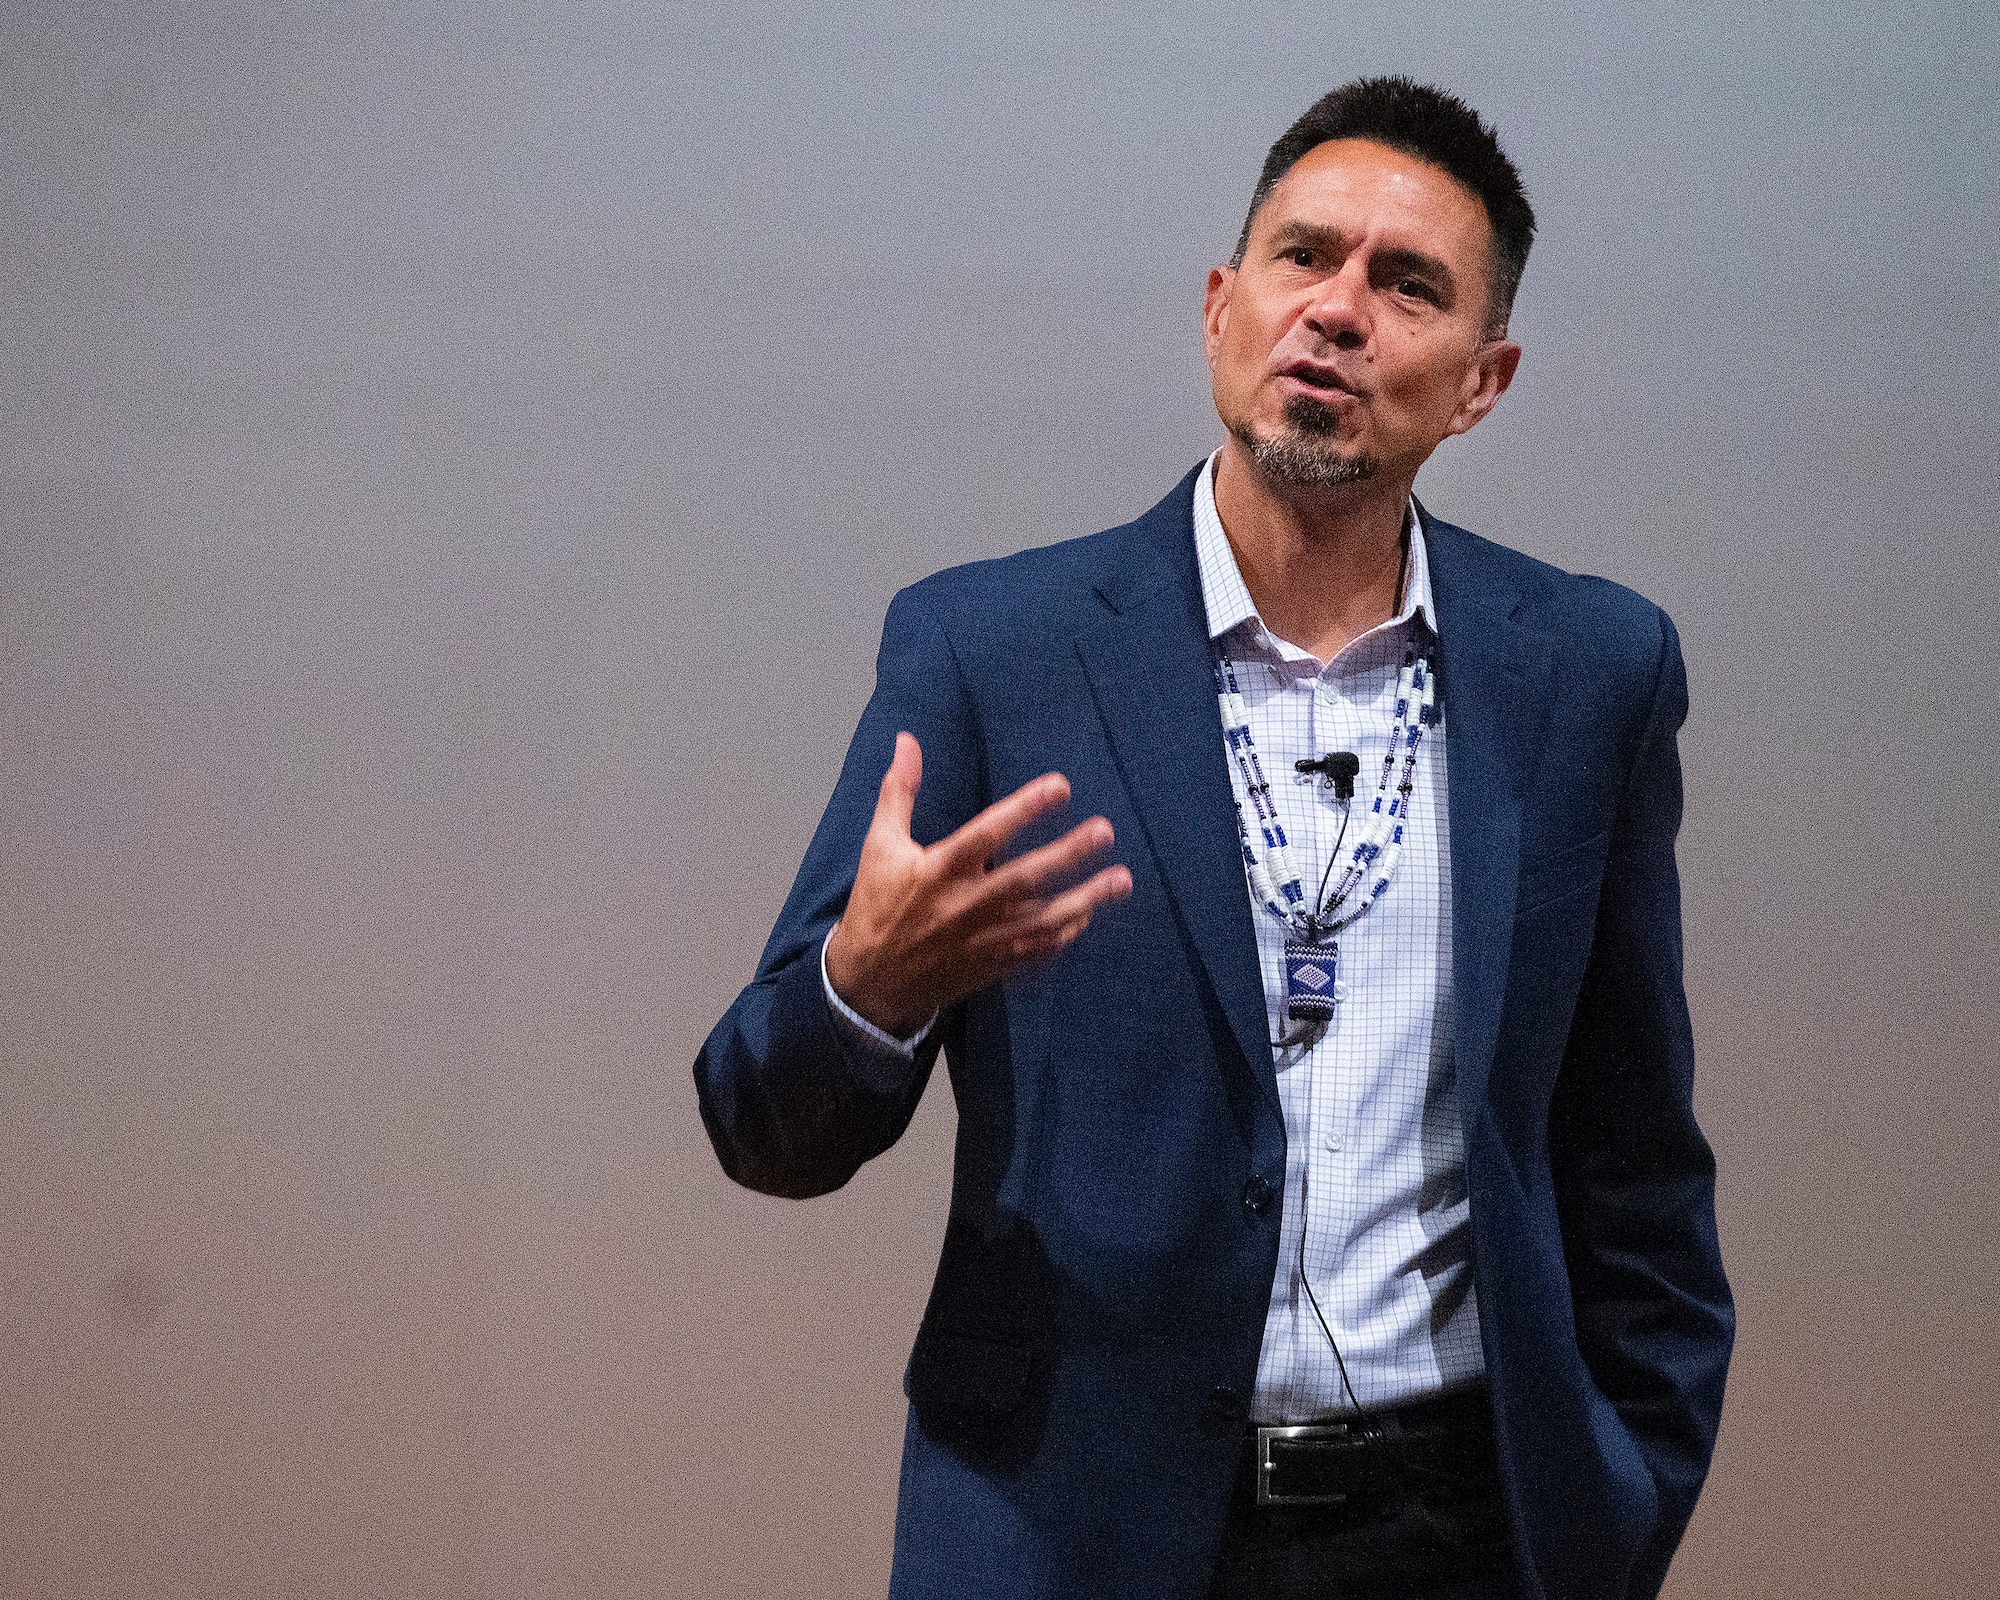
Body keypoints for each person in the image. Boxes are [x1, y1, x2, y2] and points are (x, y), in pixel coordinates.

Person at [695, 77, 1733, 1600]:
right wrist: (866, 986)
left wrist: (1619, 1496)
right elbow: (760, 1122)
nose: (1337, 311)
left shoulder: (1588, 674)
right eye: (1303, 258)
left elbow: (1634, 1156)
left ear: (1482, 380)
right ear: (1218, 305)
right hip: (1068, 1530)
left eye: (1406, 284)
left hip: (1458, 1534)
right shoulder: (997, 649)